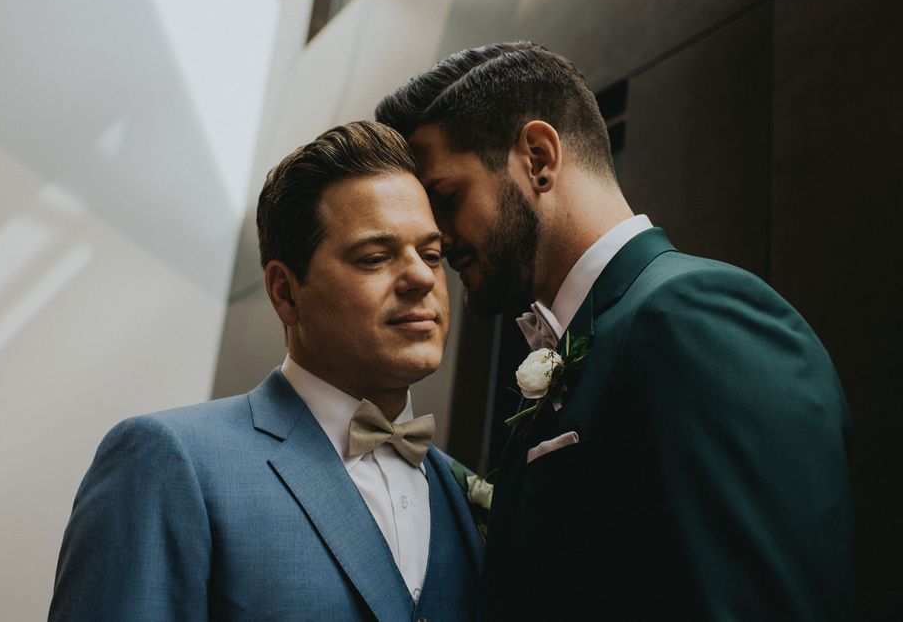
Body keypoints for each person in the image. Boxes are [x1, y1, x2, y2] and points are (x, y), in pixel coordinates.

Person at [376, 42, 853, 620]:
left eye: (447, 198)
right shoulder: (596, 337)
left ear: (538, 157)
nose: (438, 238)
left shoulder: (697, 316)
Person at [48, 121, 483, 621]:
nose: (421, 277)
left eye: (431, 254)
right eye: (374, 257)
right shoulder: (171, 461)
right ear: (284, 292)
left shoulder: (463, 490)